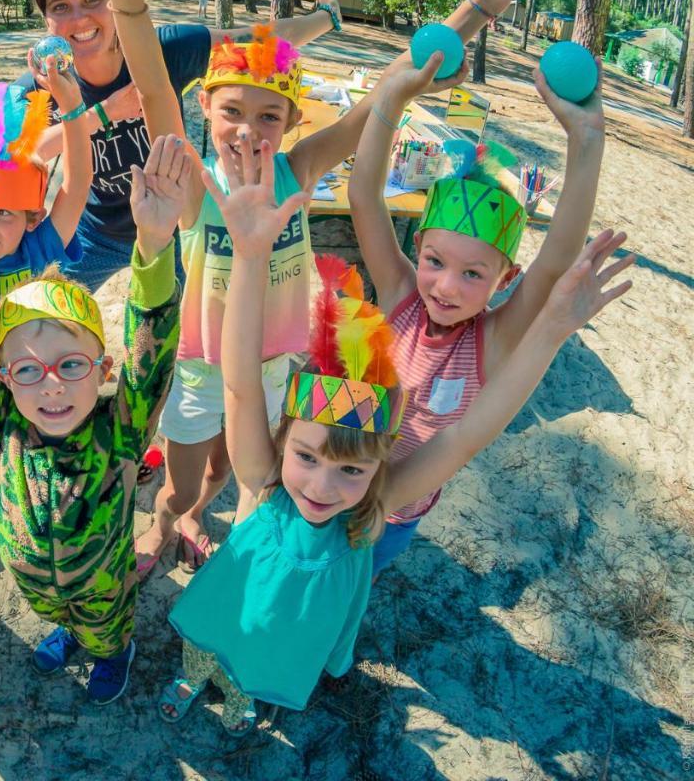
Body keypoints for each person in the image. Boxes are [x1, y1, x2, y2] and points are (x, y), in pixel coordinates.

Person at [90, 0, 557, 575]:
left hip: (279, 364)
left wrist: (481, 8)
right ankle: (165, 522)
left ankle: (201, 516)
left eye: (268, 115)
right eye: (231, 112)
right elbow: (152, 79)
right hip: (201, 363)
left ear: (288, 122)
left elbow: (383, 95)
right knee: (184, 483)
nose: (248, 130)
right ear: (206, 110)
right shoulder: (191, 178)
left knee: (236, 472)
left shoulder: (297, 170)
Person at [159, 141, 633, 733]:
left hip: (302, 612)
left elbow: (463, 437)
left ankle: (246, 687)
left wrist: (551, 330)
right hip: (234, 602)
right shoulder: (264, 476)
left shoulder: (375, 511)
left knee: (267, 654)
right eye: (306, 456)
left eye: (351, 471)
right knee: (212, 636)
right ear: (283, 444)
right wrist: (251, 258)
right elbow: (240, 386)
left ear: (378, 471)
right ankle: (198, 669)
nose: (323, 487)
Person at [0, 129, 188, 705]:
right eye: (26, 370)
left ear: (103, 370)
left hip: (105, 587)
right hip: (37, 586)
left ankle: (111, 649)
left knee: (105, 625)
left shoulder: (120, 428)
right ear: (0, 379)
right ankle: (70, 630)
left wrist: (153, 242)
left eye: (70, 364)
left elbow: (152, 355)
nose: (50, 385)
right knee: (59, 612)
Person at [0, 0, 343, 293]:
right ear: (45, 20)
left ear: (114, 1)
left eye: (93, 0)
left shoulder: (160, 51)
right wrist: (102, 111)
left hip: (174, 224)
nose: (79, 18)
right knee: (45, 313)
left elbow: (256, 41)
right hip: (96, 233)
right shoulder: (44, 85)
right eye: (60, 7)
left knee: (193, 334)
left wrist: (327, 17)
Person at [349, 41, 606, 574]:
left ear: (505, 279)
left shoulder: (492, 343)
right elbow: (363, 197)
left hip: (394, 517)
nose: (445, 286)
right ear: (417, 246)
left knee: (352, 596)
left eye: (473, 274)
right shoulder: (399, 296)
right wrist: (392, 97)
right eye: (436, 261)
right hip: (331, 485)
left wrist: (588, 141)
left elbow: (556, 262)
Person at [0, 52, 94, 576]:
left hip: (41, 387)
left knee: (49, 469)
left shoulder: (37, 249)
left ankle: (47, 529)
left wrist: (74, 111)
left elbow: (75, 187)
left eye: (3, 213)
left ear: (30, 215)